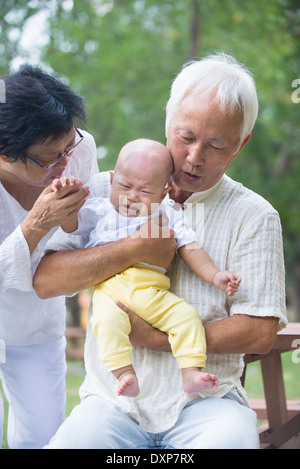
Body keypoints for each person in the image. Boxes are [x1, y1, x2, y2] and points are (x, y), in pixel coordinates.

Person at [35, 52, 287, 449]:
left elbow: (259, 330)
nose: (194, 157)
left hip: (209, 403)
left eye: (217, 145)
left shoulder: (254, 215)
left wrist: (154, 337)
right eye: (186, 137)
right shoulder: (107, 188)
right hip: (111, 404)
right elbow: (46, 281)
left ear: (240, 145)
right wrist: (133, 249)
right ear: (168, 121)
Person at [0, 65, 175, 449]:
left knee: (42, 435)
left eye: (68, 147)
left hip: (33, 323)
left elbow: (88, 236)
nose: (66, 162)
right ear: (5, 155)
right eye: (51, 158)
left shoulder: (80, 149)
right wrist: (35, 225)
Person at [46, 139, 242, 398]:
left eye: (145, 192)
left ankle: (191, 372)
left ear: (162, 195)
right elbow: (71, 226)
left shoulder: (168, 214)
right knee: (105, 322)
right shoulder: (98, 209)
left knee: (187, 317)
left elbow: (191, 249)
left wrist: (215, 274)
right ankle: (124, 373)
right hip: (110, 291)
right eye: (125, 186)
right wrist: (65, 197)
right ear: (113, 180)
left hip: (151, 291)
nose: (132, 197)